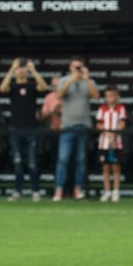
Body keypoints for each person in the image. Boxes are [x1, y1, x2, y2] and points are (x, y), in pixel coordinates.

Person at [0, 57, 49, 201]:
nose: (21, 70)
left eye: (23, 68)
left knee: (32, 161)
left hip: (31, 128)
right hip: (15, 128)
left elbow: (43, 87)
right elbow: (2, 88)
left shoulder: (32, 85)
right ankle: (18, 191)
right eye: (19, 68)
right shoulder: (13, 86)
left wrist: (33, 70)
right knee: (17, 160)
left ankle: (35, 190)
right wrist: (12, 69)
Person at [53, 56, 98, 201]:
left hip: (83, 126)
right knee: (63, 159)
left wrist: (86, 78)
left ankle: (78, 189)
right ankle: (59, 190)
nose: (77, 70)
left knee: (81, 159)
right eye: (75, 67)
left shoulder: (89, 81)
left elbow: (96, 96)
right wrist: (71, 80)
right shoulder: (64, 80)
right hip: (67, 125)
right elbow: (59, 95)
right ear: (70, 68)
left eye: (79, 67)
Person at [96, 85, 126, 203]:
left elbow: (122, 123)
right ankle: (107, 191)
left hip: (116, 142)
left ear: (117, 96)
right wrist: (107, 133)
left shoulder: (121, 108)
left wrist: (114, 134)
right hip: (104, 143)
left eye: (112, 96)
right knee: (105, 167)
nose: (109, 98)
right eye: (107, 96)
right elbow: (99, 124)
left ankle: (116, 191)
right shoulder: (102, 108)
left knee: (116, 167)